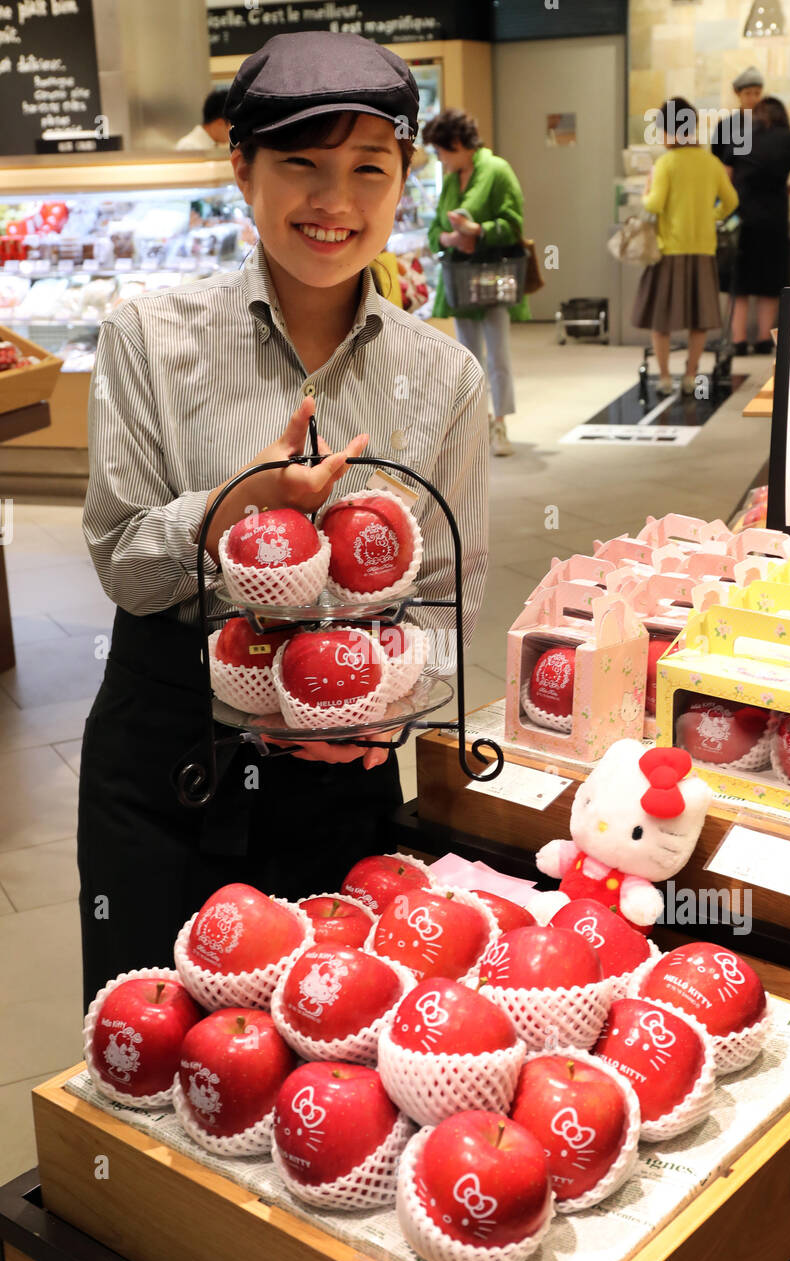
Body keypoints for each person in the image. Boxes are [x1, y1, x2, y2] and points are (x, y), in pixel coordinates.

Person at [79, 32, 489, 1010]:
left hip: (338, 780)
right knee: (154, 1050)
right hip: (166, 756)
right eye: (300, 164)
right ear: (241, 169)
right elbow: (127, 567)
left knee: (328, 1066)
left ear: (404, 181)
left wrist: (391, 709)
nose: (334, 203)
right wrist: (234, 509)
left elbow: (441, 605)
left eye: (367, 169)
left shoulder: (444, 377)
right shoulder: (148, 337)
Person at [423, 108, 528, 457]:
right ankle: (477, 424)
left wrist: (478, 231)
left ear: (456, 143)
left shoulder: (496, 170)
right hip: (460, 278)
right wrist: (452, 239)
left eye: (441, 151)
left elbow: (514, 224)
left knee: (498, 353)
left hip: (494, 274)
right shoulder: (453, 179)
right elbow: (436, 229)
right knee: (468, 357)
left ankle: (500, 423)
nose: (439, 159)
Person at [633, 97, 738, 396]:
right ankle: (691, 376)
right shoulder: (712, 163)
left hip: (670, 251)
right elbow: (731, 201)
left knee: (662, 319)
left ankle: (665, 378)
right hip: (704, 250)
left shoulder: (666, 163)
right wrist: (711, 216)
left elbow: (654, 204)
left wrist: (644, 191)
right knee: (699, 318)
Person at [727, 96, 790, 355]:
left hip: (742, 219)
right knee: (770, 282)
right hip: (774, 218)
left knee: (740, 282)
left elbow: (725, 177)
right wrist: (789, 188)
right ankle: (762, 340)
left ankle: (737, 341)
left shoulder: (741, 136)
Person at [712, 66, 764, 165]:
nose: (753, 98)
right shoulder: (725, 126)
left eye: (757, 93)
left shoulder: (768, 125)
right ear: (738, 94)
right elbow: (717, 162)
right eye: (747, 93)